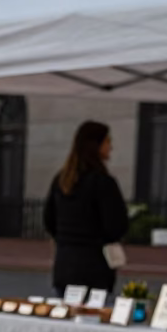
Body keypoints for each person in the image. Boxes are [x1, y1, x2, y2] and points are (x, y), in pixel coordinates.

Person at [43, 121, 129, 296]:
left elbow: (48, 219)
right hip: (95, 267)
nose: (111, 147)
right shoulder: (103, 182)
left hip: (65, 264)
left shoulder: (62, 180)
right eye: (107, 141)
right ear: (95, 145)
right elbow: (116, 226)